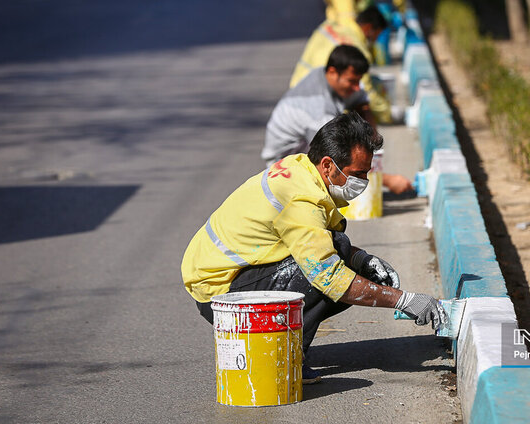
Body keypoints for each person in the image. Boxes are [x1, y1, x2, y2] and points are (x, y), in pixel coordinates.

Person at [182, 113, 448, 384]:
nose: (364, 182)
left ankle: (285, 343)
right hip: (222, 297)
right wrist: (402, 299)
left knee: (343, 251)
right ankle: (284, 359)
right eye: (358, 174)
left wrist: (362, 259)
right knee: (330, 273)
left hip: (228, 276)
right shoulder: (301, 200)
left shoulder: (300, 167)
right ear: (328, 165)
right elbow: (329, 276)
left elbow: (325, 240)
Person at [265, 44, 413, 194]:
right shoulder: (318, 108)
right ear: (333, 72)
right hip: (283, 165)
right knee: (341, 167)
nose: (357, 87)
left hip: (309, 143)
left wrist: (370, 139)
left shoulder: (325, 76)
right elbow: (333, 156)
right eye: (352, 81)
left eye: (358, 81)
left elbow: (362, 100)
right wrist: (386, 180)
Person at [290, 5, 394, 124]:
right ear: (368, 28)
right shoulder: (358, 51)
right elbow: (365, 91)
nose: (375, 40)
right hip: (317, 103)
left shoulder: (330, 24)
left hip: (296, 88)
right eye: (377, 35)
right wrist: (387, 114)